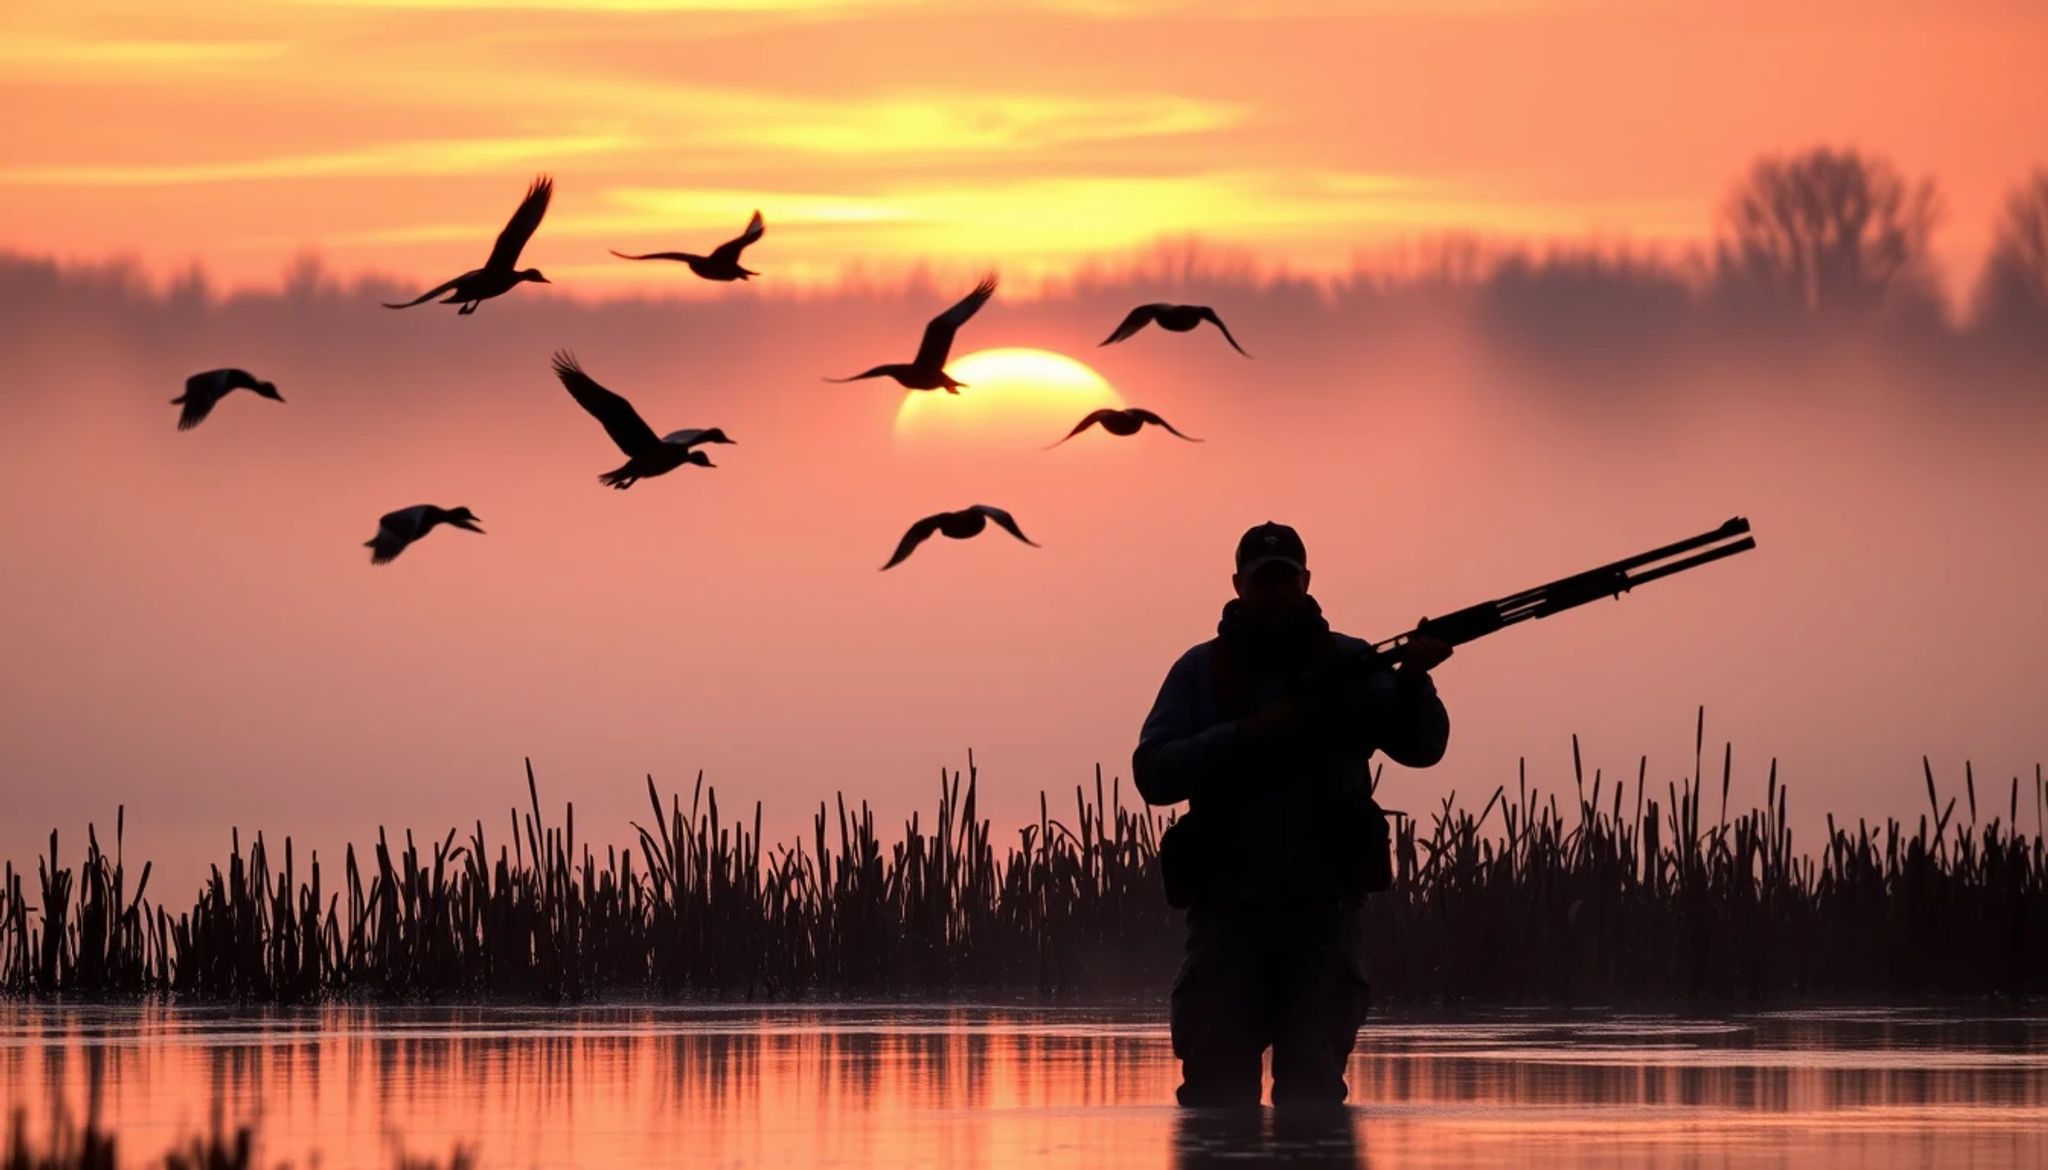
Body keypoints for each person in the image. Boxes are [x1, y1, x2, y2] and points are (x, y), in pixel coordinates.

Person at [1133, 521, 1452, 1107]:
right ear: (1237, 584)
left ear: (1306, 581)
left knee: (1313, 1096)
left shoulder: (1354, 664)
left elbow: (1423, 747)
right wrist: (1246, 735)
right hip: (1227, 920)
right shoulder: (1200, 671)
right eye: (1262, 581)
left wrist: (1415, 681)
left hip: (1322, 919)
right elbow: (1152, 771)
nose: (1274, 593)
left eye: (1285, 579)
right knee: (1214, 1098)